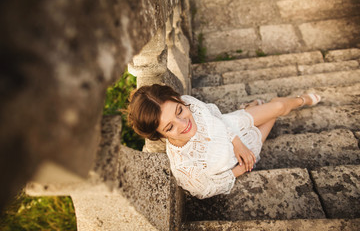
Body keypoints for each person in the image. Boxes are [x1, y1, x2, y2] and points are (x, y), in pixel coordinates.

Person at [127, 84, 321, 199]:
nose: (184, 123)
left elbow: (213, 114)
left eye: (179, 111)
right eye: (169, 127)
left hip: (232, 126)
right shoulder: (185, 168)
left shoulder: (188, 102)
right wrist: (241, 169)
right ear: (160, 136)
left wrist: (237, 142)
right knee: (274, 115)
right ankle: (259, 105)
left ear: (179, 101)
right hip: (240, 159)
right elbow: (207, 189)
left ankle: (301, 99)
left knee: (279, 106)